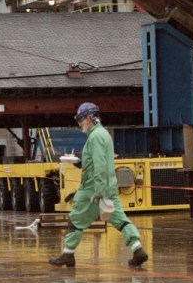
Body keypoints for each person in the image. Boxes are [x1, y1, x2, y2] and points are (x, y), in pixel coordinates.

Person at [48, 102, 149, 268]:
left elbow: (100, 165)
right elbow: (99, 161)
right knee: (120, 219)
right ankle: (138, 249)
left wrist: (99, 192)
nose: (80, 124)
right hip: (109, 187)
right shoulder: (104, 134)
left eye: (80, 120)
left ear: (88, 118)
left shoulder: (95, 137)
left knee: (75, 220)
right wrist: (81, 163)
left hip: (92, 189)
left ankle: (68, 254)